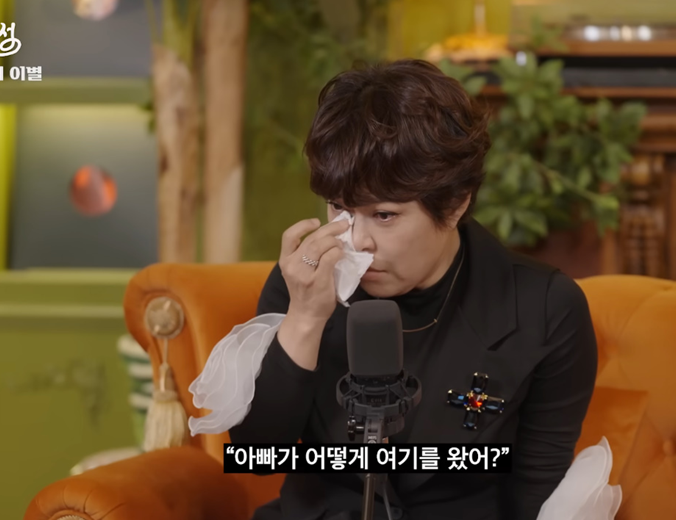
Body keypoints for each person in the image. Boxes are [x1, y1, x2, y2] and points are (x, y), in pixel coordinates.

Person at [227, 59, 598, 520]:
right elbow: (256, 453)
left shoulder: (544, 309)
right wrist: (305, 318)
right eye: (340, 208)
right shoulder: (305, 282)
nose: (357, 240)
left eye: (384, 215)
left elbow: (536, 493)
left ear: (455, 203)